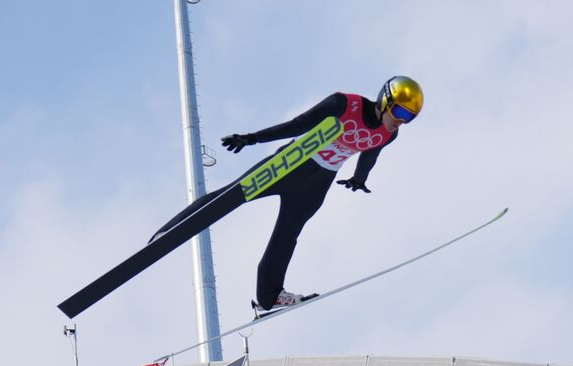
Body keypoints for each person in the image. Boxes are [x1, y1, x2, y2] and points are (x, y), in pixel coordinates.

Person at [151, 76, 423, 313]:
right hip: (292, 164)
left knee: (287, 235)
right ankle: (170, 230)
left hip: (318, 182)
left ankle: (269, 296)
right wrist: (253, 138)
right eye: (401, 112)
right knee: (230, 195)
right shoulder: (344, 104)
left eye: (409, 117)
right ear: (386, 99)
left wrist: (358, 179)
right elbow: (298, 124)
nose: (402, 121)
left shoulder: (388, 135)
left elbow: (370, 154)